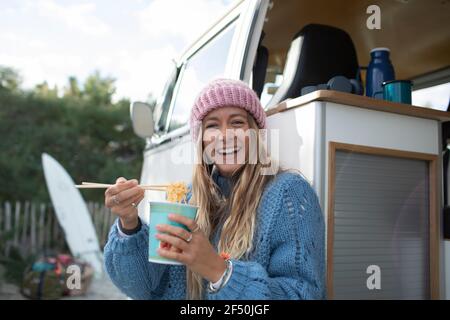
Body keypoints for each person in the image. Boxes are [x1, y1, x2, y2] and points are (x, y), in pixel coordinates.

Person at [103, 78, 325, 300]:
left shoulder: (289, 194)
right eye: (212, 125)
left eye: (237, 123)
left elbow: (303, 294)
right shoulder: (188, 198)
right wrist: (129, 224)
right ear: (201, 140)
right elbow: (144, 288)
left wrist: (219, 271)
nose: (225, 135)